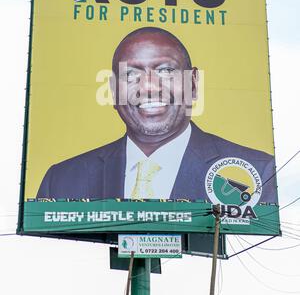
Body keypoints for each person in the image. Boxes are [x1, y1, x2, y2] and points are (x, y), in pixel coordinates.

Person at [37, 27, 277, 202]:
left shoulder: (257, 173)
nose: (149, 87)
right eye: (131, 74)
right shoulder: (61, 181)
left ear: (193, 84)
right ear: (112, 90)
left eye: (165, 70)